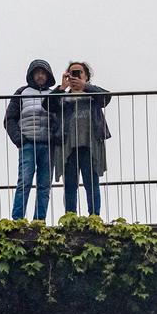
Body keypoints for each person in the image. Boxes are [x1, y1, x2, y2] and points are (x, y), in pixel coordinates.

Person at [45, 61, 111, 216]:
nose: (75, 76)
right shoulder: (63, 96)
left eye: (79, 72)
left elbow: (106, 98)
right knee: (70, 185)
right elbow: (47, 105)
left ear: (86, 76)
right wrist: (61, 88)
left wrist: (85, 86)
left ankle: (94, 216)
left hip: (91, 145)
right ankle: (71, 217)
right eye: (72, 72)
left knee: (91, 183)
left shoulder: (94, 95)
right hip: (68, 146)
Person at [4, 59, 57, 220]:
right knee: (24, 182)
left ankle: (39, 221)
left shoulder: (54, 95)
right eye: (37, 73)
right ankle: (18, 219)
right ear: (32, 75)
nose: (40, 76)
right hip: (28, 143)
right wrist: (19, 139)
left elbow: (60, 118)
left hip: (48, 144)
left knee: (44, 186)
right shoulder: (21, 92)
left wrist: (55, 136)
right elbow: (9, 119)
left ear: (48, 76)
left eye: (43, 73)